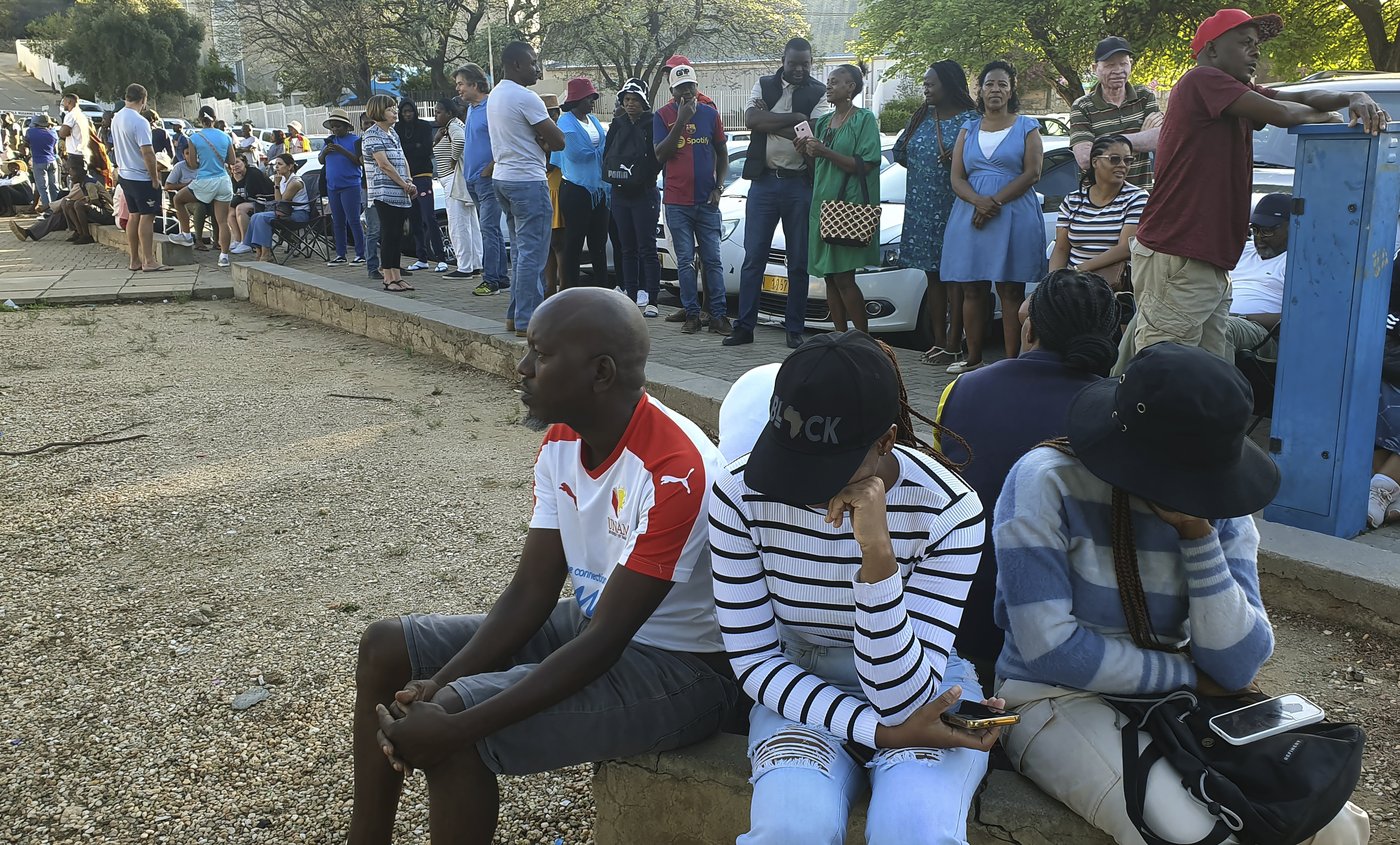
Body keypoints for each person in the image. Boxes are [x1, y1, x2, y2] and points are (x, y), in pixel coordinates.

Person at [349, 287, 739, 845]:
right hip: (597, 624)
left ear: (600, 373)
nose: (523, 367)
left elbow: (605, 643)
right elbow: (530, 594)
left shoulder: (676, 469)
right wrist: (436, 682)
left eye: (542, 354)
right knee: (387, 645)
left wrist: (455, 721)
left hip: (684, 668)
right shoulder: (563, 438)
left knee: (455, 725)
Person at [994, 342, 1371, 845]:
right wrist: (1189, 675)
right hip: (1052, 695)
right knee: (1194, 835)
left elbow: (1237, 666)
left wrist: (1197, 534)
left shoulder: (1219, 496)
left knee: (1337, 828)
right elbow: (1050, 649)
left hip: (1177, 698)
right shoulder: (1046, 482)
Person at [709, 330, 999, 844]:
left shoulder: (948, 510)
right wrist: (878, 733)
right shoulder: (739, 491)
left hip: (924, 680)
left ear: (887, 441)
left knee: (915, 832)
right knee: (789, 830)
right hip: (795, 679)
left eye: (827, 468)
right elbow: (754, 659)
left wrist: (878, 558)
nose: (800, 487)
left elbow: (905, 698)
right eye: (789, 457)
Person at [1125, 8, 1387, 363]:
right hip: (1179, 255)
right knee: (1165, 368)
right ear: (1212, 49)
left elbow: (1300, 99)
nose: (1256, 51)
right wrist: (1328, 116)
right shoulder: (1203, 80)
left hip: (1202, 257)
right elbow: (1283, 114)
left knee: (1208, 370)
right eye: (1245, 42)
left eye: (1257, 44)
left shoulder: (1236, 91)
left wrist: (1352, 97)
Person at [933, 269, 1120, 686]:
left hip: (959, 615)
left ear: (1029, 328)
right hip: (1068, 633)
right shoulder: (1117, 412)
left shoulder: (961, 388)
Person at [941, 61, 1046, 373]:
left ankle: (1011, 365)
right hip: (971, 214)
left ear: (1011, 90)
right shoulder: (968, 129)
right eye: (989, 84)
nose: (995, 89)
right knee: (972, 287)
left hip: (1012, 214)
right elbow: (956, 177)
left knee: (1010, 290)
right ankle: (973, 359)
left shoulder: (1027, 126)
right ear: (981, 90)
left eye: (1002, 84)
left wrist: (993, 202)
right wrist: (978, 202)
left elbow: (1033, 173)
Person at [728, 37, 831, 349]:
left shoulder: (819, 92)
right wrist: (797, 120)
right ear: (783, 61)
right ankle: (744, 327)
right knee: (753, 258)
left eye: (805, 64)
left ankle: (794, 329)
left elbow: (813, 135)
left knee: (798, 262)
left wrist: (770, 121)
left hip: (799, 184)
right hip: (764, 183)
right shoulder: (764, 84)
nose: (799, 69)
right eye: (793, 63)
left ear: (811, 63)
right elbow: (751, 120)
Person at [896, 60, 980, 366]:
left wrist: (957, 160)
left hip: (953, 206)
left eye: (931, 84)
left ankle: (954, 343)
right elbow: (900, 152)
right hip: (921, 207)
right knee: (931, 275)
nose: (926, 89)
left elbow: (981, 161)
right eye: (925, 84)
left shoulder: (971, 120)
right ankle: (938, 342)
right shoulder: (921, 116)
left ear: (949, 84)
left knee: (953, 277)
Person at [798, 65, 882, 335]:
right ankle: (839, 338)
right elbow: (820, 167)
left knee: (845, 277)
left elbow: (867, 163)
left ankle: (863, 340)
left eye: (835, 82)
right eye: (828, 81)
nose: (829, 86)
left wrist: (824, 151)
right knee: (830, 278)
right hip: (823, 206)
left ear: (851, 87)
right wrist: (807, 151)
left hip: (847, 207)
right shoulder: (824, 122)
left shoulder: (864, 119)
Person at [488, 42, 565, 336]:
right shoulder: (526, 97)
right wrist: (542, 138)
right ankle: (528, 320)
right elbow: (558, 141)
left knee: (521, 252)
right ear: (516, 64)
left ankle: (514, 315)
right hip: (528, 181)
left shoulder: (496, 94)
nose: (537, 69)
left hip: (503, 179)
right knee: (533, 253)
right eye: (532, 63)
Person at [655, 63, 732, 336]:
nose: (686, 92)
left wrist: (719, 187)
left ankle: (719, 316)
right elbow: (660, 155)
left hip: (706, 202)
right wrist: (681, 120)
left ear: (697, 87)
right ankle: (691, 314)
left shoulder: (711, 114)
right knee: (685, 261)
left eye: (690, 86)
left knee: (713, 261)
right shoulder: (662, 116)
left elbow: (722, 154)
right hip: (677, 202)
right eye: (680, 88)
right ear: (672, 91)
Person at [1048, 134, 1148, 290]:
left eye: (1128, 160)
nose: (1123, 165)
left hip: (1110, 285)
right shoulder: (1073, 200)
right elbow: (1061, 248)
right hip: (1071, 283)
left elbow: (1126, 248)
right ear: (1095, 162)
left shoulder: (1137, 198)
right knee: (1029, 305)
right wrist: (1052, 282)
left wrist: (1079, 270)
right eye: (1114, 159)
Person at [1068, 37, 1162, 189]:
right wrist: (1141, 137)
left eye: (1124, 63)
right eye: (1110, 65)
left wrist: (1102, 145)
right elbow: (1085, 159)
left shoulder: (1145, 97)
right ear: (1094, 68)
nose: (1118, 70)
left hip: (1140, 197)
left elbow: (1159, 139)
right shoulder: (1082, 106)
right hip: (1099, 199)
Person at [604, 78, 662, 316]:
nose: (630, 104)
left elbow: (657, 158)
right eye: (626, 100)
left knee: (647, 247)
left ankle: (653, 299)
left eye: (635, 100)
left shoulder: (652, 123)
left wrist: (644, 176)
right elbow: (606, 156)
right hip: (620, 192)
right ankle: (630, 297)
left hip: (644, 193)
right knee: (626, 248)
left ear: (644, 102)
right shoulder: (617, 125)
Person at [455, 63, 509, 297]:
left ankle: (491, 280)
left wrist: (489, 169)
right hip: (472, 179)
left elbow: (504, 141)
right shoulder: (471, 109)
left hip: (487, 180)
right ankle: (501, 278)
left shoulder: (491, 107)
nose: (458, 89)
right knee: (491, 230)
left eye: (461, 84)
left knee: (488, 229)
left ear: (475, 85)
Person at [553, 77, 611, 290]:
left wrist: (601, 151)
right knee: (574, 241)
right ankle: (571, 288)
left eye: (593, 97)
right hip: (576, 190)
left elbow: (605, 146)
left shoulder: (593, 120)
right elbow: (576, 153)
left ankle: (602, 288)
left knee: (599, 241)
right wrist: (601, 151)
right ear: (577, 100)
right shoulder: (565, 122)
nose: (592, 102)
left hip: (599, 189)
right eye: (588, 98)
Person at [1221, 193, 1290, 361]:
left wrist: (1240, 317)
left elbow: (1296, 318)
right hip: (1221, 316)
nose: (1259, 237)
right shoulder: (1243, 250)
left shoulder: (1298, 263)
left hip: (1261, 332)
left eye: (1267, 231)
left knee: (1221, 329)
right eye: (1255, 229)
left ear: (1292, 227)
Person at [363, 94, 419, 292]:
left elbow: (402, 158)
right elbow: (384, 164)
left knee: (397, 235)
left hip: (400, 192)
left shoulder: (392, 133)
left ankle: (397, 275)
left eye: (394, 108)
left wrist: (409, 180)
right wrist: (403, 184)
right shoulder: (372, 135)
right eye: (389, 109)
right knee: (388, 233)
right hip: (384, 192)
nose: (395, 112)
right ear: (378, 111)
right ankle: (388, 278)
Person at [111, 84, 170, 272]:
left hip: (125, 174)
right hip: (140, 176)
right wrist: (154, 178)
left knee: (133, 215)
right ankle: (149, 260)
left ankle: (134, 260)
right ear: (143, 100)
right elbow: (148, 152)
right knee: (147, 216)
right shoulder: (140, 121)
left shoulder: (116, 118)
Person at [170, 108, 236, 266]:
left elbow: (193, 164)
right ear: (215, 118)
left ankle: (186, 235)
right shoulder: (225, 136)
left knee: (178, 199)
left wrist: (204, 160)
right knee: (222, 221)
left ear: (200, 120)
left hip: (205, 180)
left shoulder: (194, 138)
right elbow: (232, 160)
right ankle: (224, 257)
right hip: (223, 180)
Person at [396, 99, 449, 273]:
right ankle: (422, 258)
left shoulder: (424, 126)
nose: (407, 114)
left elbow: (426, 149)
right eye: (404, 111)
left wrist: (411, 148)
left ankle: (441, 258)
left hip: (423, 176)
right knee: (414, 219)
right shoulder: (398, 128)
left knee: (429, 217)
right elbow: (400, 151)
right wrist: (415, 147)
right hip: (406, 179)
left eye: (410, 111)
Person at [432, 98, 481, 279]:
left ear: (449, 113)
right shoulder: (455, 125)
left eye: (439, 112)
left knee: (457, 224)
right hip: (458, 179)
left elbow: (460, 142)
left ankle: (464, 267)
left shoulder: (453, 126)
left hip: (453, 180)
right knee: (470, 224)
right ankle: (475, 264)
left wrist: (453, 159)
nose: (436, 116)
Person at [320, 108, 366, 266]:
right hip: (332, 186)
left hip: (350, 186)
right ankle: (341, 254)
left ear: (346, 127)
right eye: (333, 126)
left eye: (338, 126)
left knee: (353, 220)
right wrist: (325, 152)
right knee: (337, 221)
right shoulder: (329, 141)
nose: (335, 129)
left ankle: (361, 254)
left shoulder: (355, 140)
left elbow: (359, 161)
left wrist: (342, 150)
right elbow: (320, 160)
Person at [245, 153, 309, 262]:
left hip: (299, 214)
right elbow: (278, 201)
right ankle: (259, 251)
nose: (277, 167)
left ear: (290, 166)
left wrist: (276, 184)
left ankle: (266, 253)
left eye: (280, 164)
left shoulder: (295, 182)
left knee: (262, 218)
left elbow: (280, 201)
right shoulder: (283, 180)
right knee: (255, 216)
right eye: (276, 164)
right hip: (285, 211)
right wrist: (278, 184)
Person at [10, 179, 113, 243]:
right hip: (92, 211)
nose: (70, 175)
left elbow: (71, 198)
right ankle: (29, 232)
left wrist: (48, 206)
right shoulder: (81, 183)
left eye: (71, 170)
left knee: (64, 210)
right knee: (62, 212)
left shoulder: (86, 184)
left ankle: (82, 234)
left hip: (105, 213)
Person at [226, 156, 276, 256]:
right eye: (232, 164)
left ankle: (246, 242)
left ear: (244, 163)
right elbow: (236, 193)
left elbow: (248, 194)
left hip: (267, 201)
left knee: (240, 208)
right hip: (254, 201)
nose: (235, 166)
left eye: (237, 162)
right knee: (230, 209)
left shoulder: (253, 173)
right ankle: (238, 240)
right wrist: (236, 180)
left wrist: (239, 181)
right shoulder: (236, 175)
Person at [357, 112, 385, 281]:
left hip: (386, 186)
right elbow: (365, 160)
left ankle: (390, 264)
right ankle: (372, 266)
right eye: (365, 123)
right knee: (374, 229)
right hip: (369, 188)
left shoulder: (385, 137)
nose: (368, 126)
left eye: (371, 123)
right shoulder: (360, 142)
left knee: (389, 229)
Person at [24, 113, 60, 212]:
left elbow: (25, 147)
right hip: (53, 161)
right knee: (54, 186)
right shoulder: (53, 132)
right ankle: (57, 209)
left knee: (43, 188)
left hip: (39, 162)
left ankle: (48, 210)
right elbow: (55, 150)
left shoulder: (30, 132)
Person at [59, 93, 91, 189]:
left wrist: (62, 130)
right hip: (83, 152)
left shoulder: (71, 115)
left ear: (69, 102)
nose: (63, 104)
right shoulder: (82, 115)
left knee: (77, 183)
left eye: (64, 101)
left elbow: (63, 133)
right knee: (82, 182)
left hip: (75, 154)